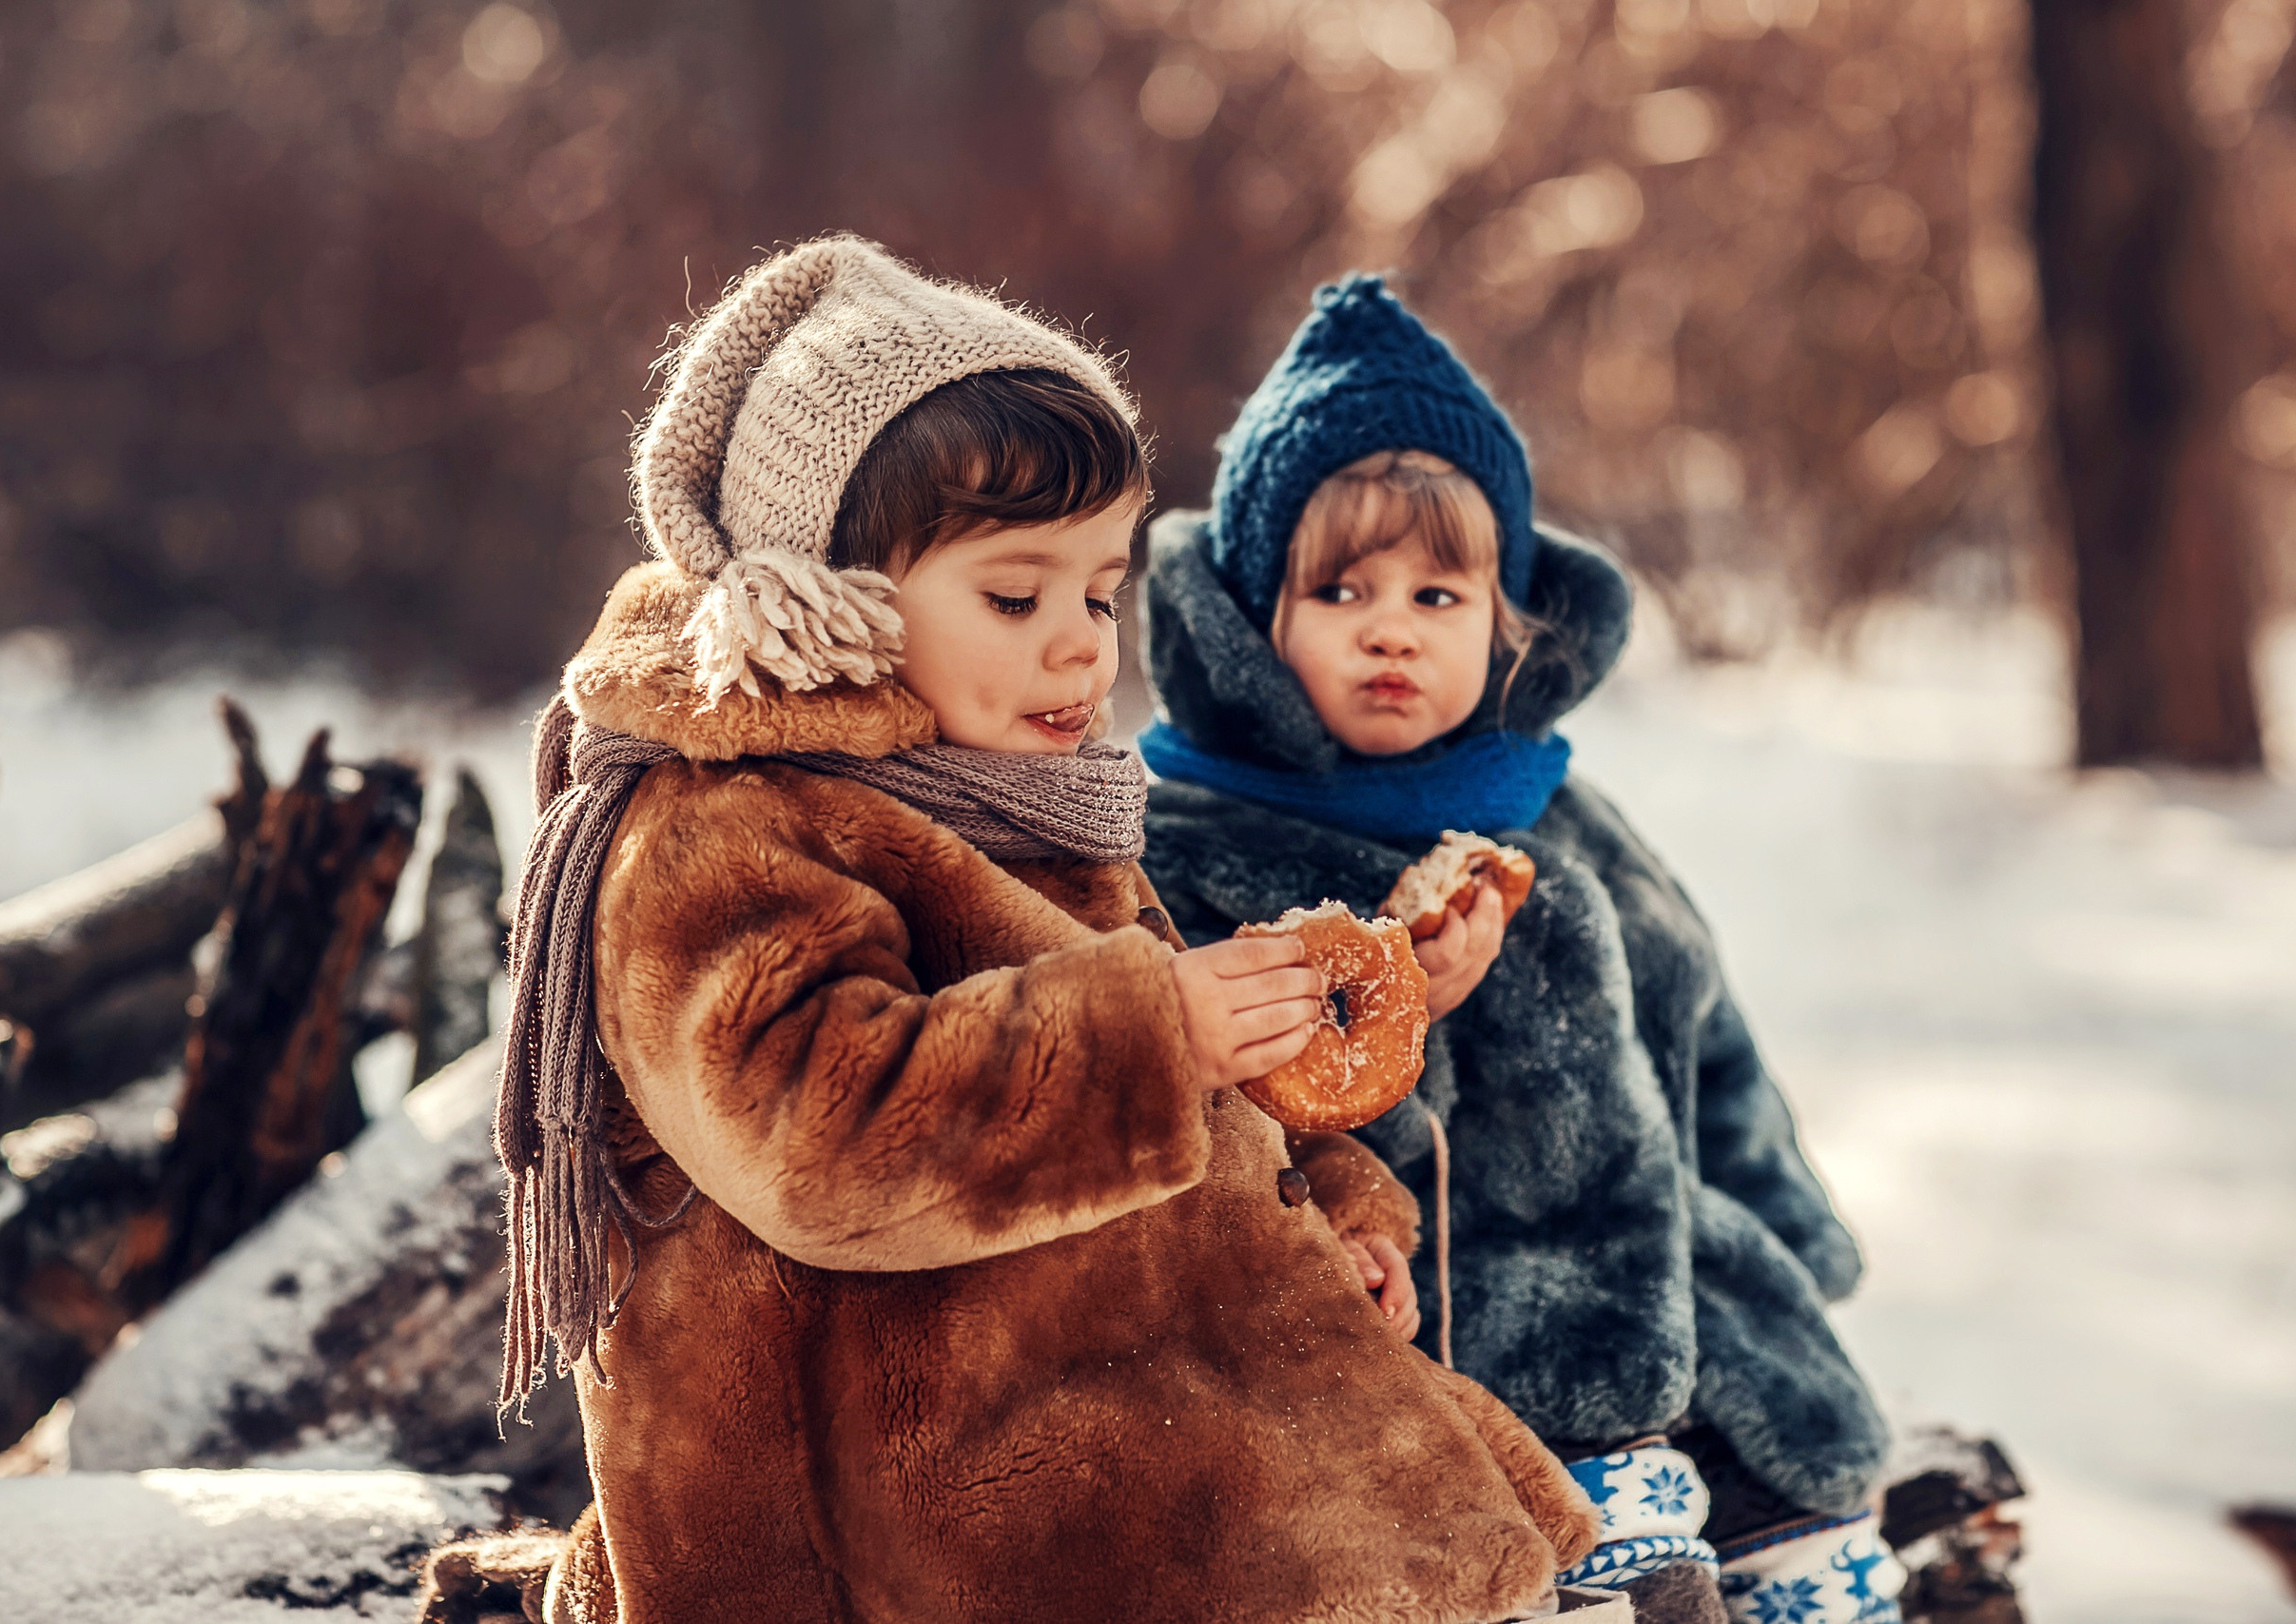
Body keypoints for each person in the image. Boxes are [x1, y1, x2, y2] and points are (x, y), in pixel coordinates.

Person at [470, 238, 1596, 1624]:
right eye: (1016, 596)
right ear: (828, 592)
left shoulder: (1017, 799)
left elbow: (1214, 1103)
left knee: (1448, 1530)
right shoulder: (722, 828)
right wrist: (1152, 1031)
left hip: (1103, 1414)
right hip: (893, 1510)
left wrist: (1339, 1206)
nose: (1080, 645)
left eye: (1099, 591)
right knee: (1359, 1548)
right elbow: (817, 1138)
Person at [1137, 276, 1902, 1624]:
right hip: (1452, 1365)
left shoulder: (1557, 814)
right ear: (1259, 616)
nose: (1392, 627)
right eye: (1342, 588)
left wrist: (1789, 1238)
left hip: (1690, 1308)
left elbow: (1702, 1030)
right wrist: (1401, 1018)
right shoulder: (1199, 845)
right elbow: (1239, 1148)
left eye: (1440, 592)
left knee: (1826, 1560)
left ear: (1509, 619)